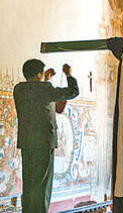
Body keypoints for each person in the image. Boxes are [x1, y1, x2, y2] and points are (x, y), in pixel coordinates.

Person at [14, 59, 79, 212]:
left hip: (26, 143)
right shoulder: (45, 88)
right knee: (42, 186)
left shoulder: (18, 89)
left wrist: (46, 80)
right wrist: (69, 75)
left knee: (29, 184)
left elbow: (38, 98)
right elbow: (73, 92)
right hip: (43, 142)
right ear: (39, 74)